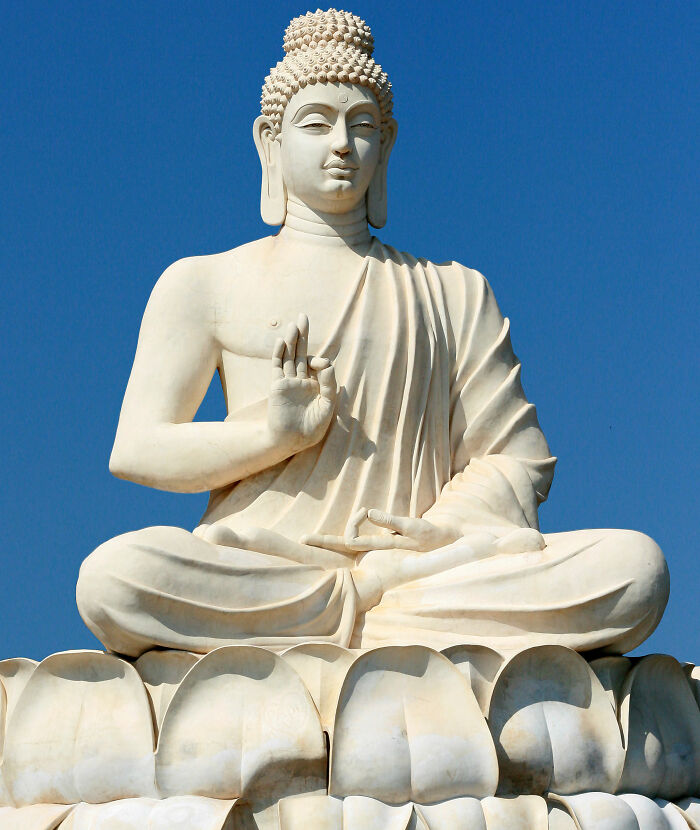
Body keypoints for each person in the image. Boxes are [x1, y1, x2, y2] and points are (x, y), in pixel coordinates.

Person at [76, 9, 668, 658]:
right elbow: (137, 448)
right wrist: (271, 438)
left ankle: (370, 613)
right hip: (272, 567)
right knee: (116, 577)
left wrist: (424, 541)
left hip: (421, 573)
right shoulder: (204, 283)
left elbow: (513, 459)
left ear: (386, 144)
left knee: (635, 567)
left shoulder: (452, 289)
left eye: (362, 127)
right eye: (316, 123)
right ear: (269, 142)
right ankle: (384, 632)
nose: (341, 145)